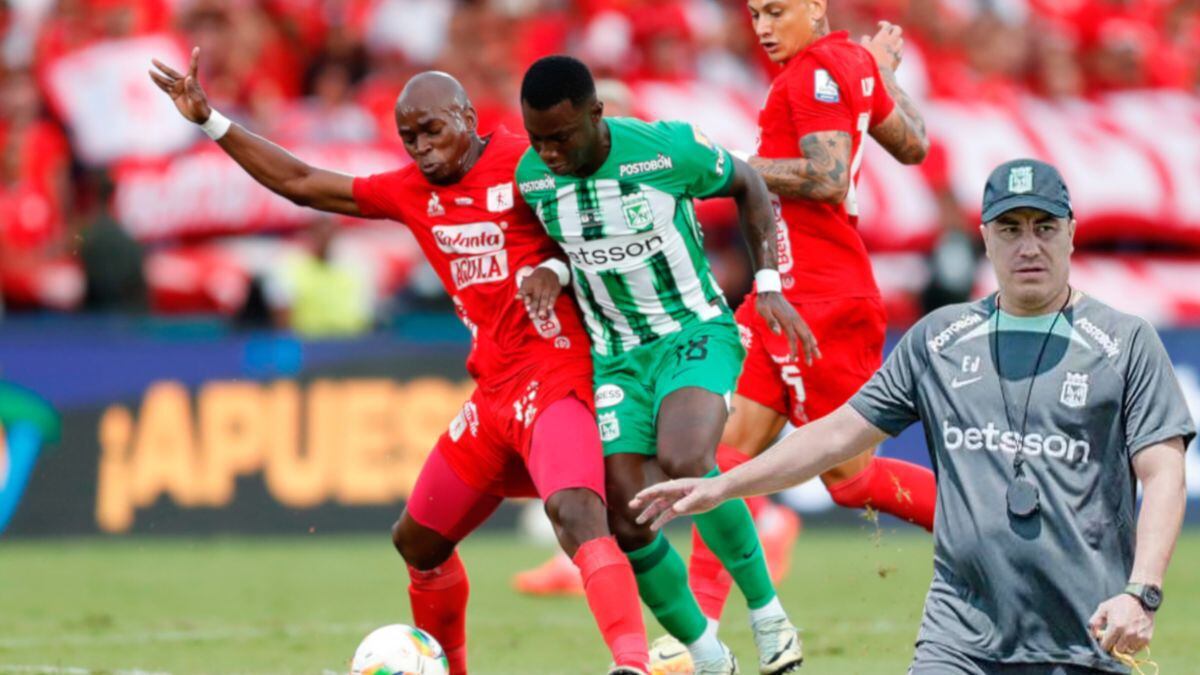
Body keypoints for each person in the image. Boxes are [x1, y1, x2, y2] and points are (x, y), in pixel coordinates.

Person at [149, 50, 651, 675]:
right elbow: (302, 182)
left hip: (557, 379)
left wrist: (555, 267)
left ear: (467, 116)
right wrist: (212, 122)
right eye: (408, 136)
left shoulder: (529, 162)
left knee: (577, 515)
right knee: (418, 541)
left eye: (432, 129)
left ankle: (634, 664)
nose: (421, 147)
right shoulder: (413, 191)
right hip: (494, 394)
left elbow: (599, 231)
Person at [633, 159, 1195, 674]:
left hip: (1086, 637)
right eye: (1010, 229)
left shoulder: (1125, 343)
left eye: (1044, 228)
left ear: (1071, 233)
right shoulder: (939, 338)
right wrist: (724, 486)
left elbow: (1163, 475)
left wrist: (1141, 592)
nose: (1029, 246)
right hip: (958, 643)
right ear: (984, 240)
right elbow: (834, 436)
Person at [517, 55, 816, 675]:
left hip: (691, 332)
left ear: (597, 116)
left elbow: (749, 185)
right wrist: (550, 268)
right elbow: (559, 243)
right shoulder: (532, 177)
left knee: (686, 465)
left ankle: (770, 616)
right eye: (537, 139)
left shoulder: (665, 151)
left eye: (560, 137)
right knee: (628, 519)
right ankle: (709, 658)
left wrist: (768, 283)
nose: (547, 153)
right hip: (616, 361)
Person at [683, 0, 941, 624]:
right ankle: (697, 637)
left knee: (851, 480)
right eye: (754, 15)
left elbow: (826, 177)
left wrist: (729, 169)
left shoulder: (812, 75)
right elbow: (914, 144)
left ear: (816, 6)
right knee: (723, 458)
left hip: (823, 299)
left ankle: (1003, 527)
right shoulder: (848, 63)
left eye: (777, 12)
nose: (764, 28)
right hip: (783, 293)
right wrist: (884, 74)